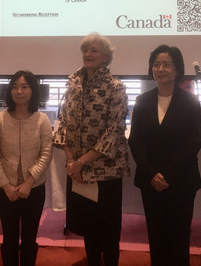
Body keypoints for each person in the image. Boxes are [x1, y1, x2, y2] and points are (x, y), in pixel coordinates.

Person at [53, 33, 130, 266]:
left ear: (106, 57)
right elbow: (61, 122)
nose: (88, 54)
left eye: (94, 50)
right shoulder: (72, 84)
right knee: (88, 228)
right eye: (85, 50)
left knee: (107, 230)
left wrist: (81, 162)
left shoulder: (115, 87)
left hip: (104, 172)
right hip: (76, 170)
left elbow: (115, 131)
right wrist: (71, 162)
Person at [128, 45, 201, 266]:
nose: (160, 69)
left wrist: (166, 174)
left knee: (179, 237)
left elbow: (193, 143)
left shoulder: (190, 102)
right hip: (150, 181)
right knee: (156, 235)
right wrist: (151, 174)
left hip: (181, 181)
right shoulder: (142, 101)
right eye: (156, 64)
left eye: (166, 64)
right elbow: (136, 140)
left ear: (177, 69)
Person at [0, 70, 53, 266]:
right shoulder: (0, 119)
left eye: (25, 87)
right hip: (6, 190)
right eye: (15, 87)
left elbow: (46, 153)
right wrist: (5, 184)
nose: (19, 91)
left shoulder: (42, 119)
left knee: (29, 239)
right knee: (9, 239)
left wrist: (28, 183)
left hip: (33, 189)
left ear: (33, 90)